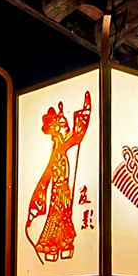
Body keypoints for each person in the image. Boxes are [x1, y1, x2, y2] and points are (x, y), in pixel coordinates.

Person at [26, 91, 91, 263]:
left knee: (65, 215)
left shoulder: (65, 145)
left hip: (64, 189)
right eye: (63, 125)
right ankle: (52, 246)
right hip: (57, 190)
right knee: (56, 216)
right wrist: (41, 191)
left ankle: (65, 244)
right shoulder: (57, 148)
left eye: (65, 124)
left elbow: (77, 135)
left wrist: (86, 109)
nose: (66, 128)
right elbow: (48, 172)